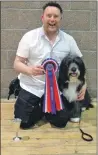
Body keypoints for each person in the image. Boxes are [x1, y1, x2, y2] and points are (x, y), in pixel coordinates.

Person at [13, 1, 86, 129]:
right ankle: (40, 107)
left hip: (57, 90)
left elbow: (80, 65)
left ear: (60, 19)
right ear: (43, 17)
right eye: (49, 16)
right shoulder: (29, 37)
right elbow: (16, 64)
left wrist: (84, 84)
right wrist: (30, 70)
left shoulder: (69, 40)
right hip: (32, 87)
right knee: (24, 123)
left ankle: (48, 109)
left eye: (56, 16)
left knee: (61, 122)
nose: (52, 19)